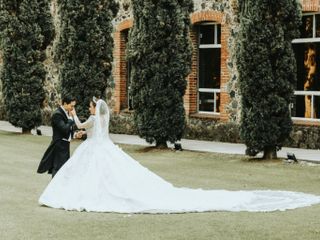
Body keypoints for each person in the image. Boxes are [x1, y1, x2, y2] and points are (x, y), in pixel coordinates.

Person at [38, 97, 320, 213]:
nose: (83, 107)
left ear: (92, 108)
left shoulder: (89, 119)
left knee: (96, 178)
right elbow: (82, 130)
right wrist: (76, 127)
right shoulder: (102, 119)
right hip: (102, 148)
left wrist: (75, 119)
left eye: (84, 105)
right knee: (107, 175)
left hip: (94, 150)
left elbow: (80, 127)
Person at [37, 94, 83, 177]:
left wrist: (75, 134)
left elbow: (67, 132)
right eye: (71, 106)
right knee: (58, 170)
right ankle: (54, 189)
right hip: (59, 146)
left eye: (74, 106)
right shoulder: (57, 114)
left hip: (65, 146)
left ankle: (58, 189)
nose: (73, 108)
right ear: (65, 103)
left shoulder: (66, 113)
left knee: (63, 170)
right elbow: (64, 129)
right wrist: (70, 119)